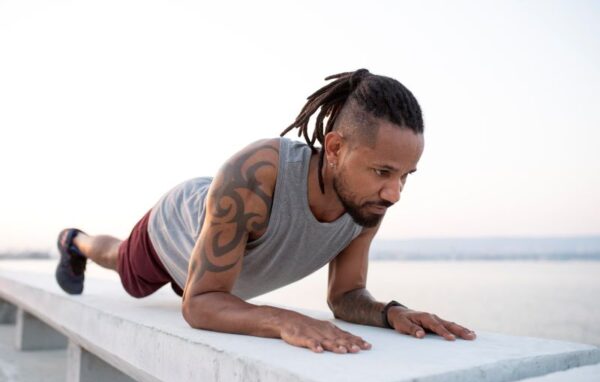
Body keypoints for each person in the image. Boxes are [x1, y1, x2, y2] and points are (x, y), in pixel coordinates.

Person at [55, 69, 477, 354]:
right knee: (123, 267)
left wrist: (391, 313)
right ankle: (75, 240)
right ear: (335, 149)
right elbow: (199, 303)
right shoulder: (256, 174)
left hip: (217, 270)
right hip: (175, 230)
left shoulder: (367, 199)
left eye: (406, 175)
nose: (395, 192)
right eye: (384, 171)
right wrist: (281, 320)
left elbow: (346, 296)